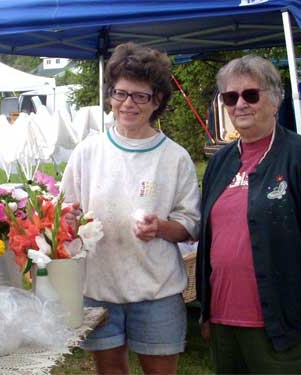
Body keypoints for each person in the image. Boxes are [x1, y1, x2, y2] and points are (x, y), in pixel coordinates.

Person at [196, 55, 301, 374]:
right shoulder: (220, 162)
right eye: (230, 96)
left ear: (276, 99)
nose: (240, 104)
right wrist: (206, 311)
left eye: (251, 94)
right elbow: (209, 240)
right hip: (225, 322)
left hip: (282, 323)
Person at [61, 42, 201, 375]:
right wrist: (68, 218)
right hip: (98, 286)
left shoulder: (174, 157)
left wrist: (161, 228)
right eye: (121, 93)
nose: (128, 104)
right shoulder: (88, 151)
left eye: (141, 96)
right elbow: (63, 212)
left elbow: (191, 223)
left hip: (157, 290)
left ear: (158, 102)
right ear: (110, 95)